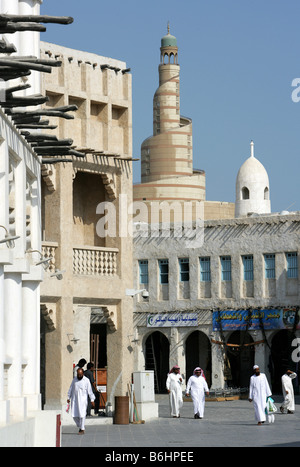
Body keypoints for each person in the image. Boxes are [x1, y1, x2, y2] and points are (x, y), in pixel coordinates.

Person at [67, 368, 95, 434]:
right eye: (78, 374)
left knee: (82, 414)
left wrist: (92, 399)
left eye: (80, 374)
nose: (79, 376)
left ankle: (82, 429)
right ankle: (80, 425)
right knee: (74, 415)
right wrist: (68, 397)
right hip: (75, 400)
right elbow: (71, 389)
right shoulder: (74, 380)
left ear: (83, 374)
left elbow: (90, 391)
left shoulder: (86, 380)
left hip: (83, 400)